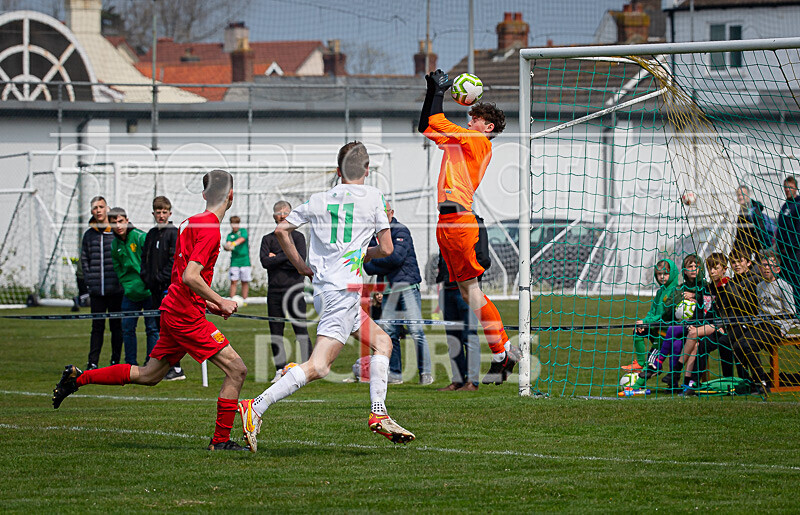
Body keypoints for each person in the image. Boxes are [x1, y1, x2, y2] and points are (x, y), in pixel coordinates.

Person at [53, 170, 251, 452]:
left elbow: (180, 275)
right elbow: (190, 276)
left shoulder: (189, 222)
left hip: (175, 308)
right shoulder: (209, 228)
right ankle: (220, 442)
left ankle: (78, 378)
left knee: (149, 375)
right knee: (237, 370)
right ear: (231, 195)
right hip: (185, 316)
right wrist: (220, 300)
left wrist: (205, 302)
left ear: (204, 194)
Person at [238, 142, 415, 452]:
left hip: (325, 291)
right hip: (342, 293)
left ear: (337, 171)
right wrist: (362, 253)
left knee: (382, 342)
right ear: (367, 170)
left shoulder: (319, 199)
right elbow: (386, 249)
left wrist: (301, 265)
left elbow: (282, 230)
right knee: (319, 367)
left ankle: (379, 413)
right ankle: (256, 405)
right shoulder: (374, 196)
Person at [418, 69, 520, 385]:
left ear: (487, 127)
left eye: (474, 117)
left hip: (461, 220)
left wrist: (439, 92)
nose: (469, 120)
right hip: (446, 222)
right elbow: (426, 126)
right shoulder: (458, 144)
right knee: (465, 291)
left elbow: (437, 120)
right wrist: (431, 92)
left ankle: (504, 352)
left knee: (472, 291)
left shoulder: (478, 141)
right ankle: (502, 353)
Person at [363, 201, 433, 385]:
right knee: (389, 331)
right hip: (387, 290)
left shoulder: (401, 231)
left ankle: (425, 372)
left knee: (415, 330)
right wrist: (376, 260)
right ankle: (395, 373)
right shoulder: (372, 235)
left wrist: (375, 259)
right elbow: (366, 265)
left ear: (391, 213)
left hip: (407, 287)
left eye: (383, 211)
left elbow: (395, 258)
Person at [635, 254, 706, 391]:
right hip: (678, 327)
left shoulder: (705, 287)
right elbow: (665, 310)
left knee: (670, 335)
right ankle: (672, 381)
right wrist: (676, 303)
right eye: (689, 267)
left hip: (694, 327)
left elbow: (709, 302)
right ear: (683, 271)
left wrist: (696, 297)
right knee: (676, 344)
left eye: (695, 266)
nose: (692, 269)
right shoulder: (679, 289)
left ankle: (656, 363)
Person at [259, 200, 312, 383]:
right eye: (278, 213)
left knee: (300, 329)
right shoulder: (268, 239)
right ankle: (279, 369)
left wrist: (278, 256)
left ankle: (309, 367)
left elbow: (299, 262)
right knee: (276, 332)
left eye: (285, 213)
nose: (281, 216)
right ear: (274, 216)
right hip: (274, 292)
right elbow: (265, 262)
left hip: (295, 290)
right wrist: (289, 254)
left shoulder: (297, 237)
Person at [733, 249, 795, 394]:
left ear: (777, 269)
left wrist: (783, 329)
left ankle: (762, 383)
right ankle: (751, 381)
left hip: (776, 326)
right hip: (761, 325)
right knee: (737, 345)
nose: (766, 268)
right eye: (764, 265)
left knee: (748, 345)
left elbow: (791, 312)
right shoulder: (759, 286)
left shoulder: (783, 286)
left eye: (770, 266)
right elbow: (760, 311)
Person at [140, 196, 184, 380]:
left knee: (171, 328)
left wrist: (160, 278)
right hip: (153, 290)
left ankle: (177, 367)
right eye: (158, 212)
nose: (161, 215)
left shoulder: (173, 233)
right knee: (154, 327)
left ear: (170, 213)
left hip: (168, 289)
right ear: (153, 213)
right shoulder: (151, 234)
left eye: (164, 212)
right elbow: (145, 258)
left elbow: (174, 261)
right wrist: (146, 277)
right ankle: (155, 363)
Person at [108, 207, 159, 367]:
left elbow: (153, 260)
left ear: (127, 220)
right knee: (128, 329)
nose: (118, 225)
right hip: (130, 293)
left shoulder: (140, 237)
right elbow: (118, 268)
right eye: (114, 222)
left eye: (120, 221)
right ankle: (130, 363)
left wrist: (150, 281)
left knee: (152, 328)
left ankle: (150, 362)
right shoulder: (114, 244)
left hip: (149, 291)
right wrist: (126, 285)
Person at [678, 252, 733, 391]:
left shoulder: (728, 287)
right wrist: (694, 323)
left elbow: (729, 311)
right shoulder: (707, 288)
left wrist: (722, 325)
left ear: (725, 269)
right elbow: (700, 310)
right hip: (710, 327)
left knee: (725, 345)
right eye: (709, 268)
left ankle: (730, 379)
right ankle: (693, 381)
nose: (712, 271)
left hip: (725, 327)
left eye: (715, 268)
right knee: (701, 345)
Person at [80, 196, 124, 369]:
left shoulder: (116, 233)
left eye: (101, 207)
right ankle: (92, 362)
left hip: (116, 290)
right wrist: (90, 283)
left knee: (116, 327)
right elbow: (85, 260)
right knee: (97, 327)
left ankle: (115, 361)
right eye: (94, 208)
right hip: (97, 291)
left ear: (107, 208)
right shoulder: (89, 235)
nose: (98, 210)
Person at [623, 259, 679, 372]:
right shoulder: (660, 292)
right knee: (637, 331)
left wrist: (648, 322)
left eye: (666, 273)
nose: (662, 277)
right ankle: (639, 362)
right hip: (654, 325)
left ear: (672, 273)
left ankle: (662, 377)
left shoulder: (675, 292)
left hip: (665, 330)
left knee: (652, 360)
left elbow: (665, 314)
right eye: (659, 274)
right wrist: (644, 321)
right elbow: (652, 311)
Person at [776, 176, 800, 312]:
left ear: (795, 187)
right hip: (784, 254)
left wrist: (790, 247)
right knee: (786, 283)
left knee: (796, 282)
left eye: (790, 187)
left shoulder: (798, 204)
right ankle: (790, 311)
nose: (787, 190)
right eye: (785, 187)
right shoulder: (786, 205)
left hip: (794, 253)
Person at [732, 184, 771, 256]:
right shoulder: (743, 211)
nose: (740, 197)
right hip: (745, 250)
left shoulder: (754, 211)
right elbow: (740, 234)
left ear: (749, 195)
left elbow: (761, 231)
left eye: (743, 194)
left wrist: (755, 251)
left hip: (753, 251)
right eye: (739, 195)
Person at [224, 215, 250, 303]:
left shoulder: (243, 231)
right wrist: (227, 247)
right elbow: (227, 245)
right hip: (234, 261)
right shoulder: (229, 235)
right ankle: (232, 300)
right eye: (233, 224)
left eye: (236, 224)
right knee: (233, 281)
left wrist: (233, 244)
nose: (234, 226)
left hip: (245, 261)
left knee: (245, 281)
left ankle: (245, 300)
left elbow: (242, 239)